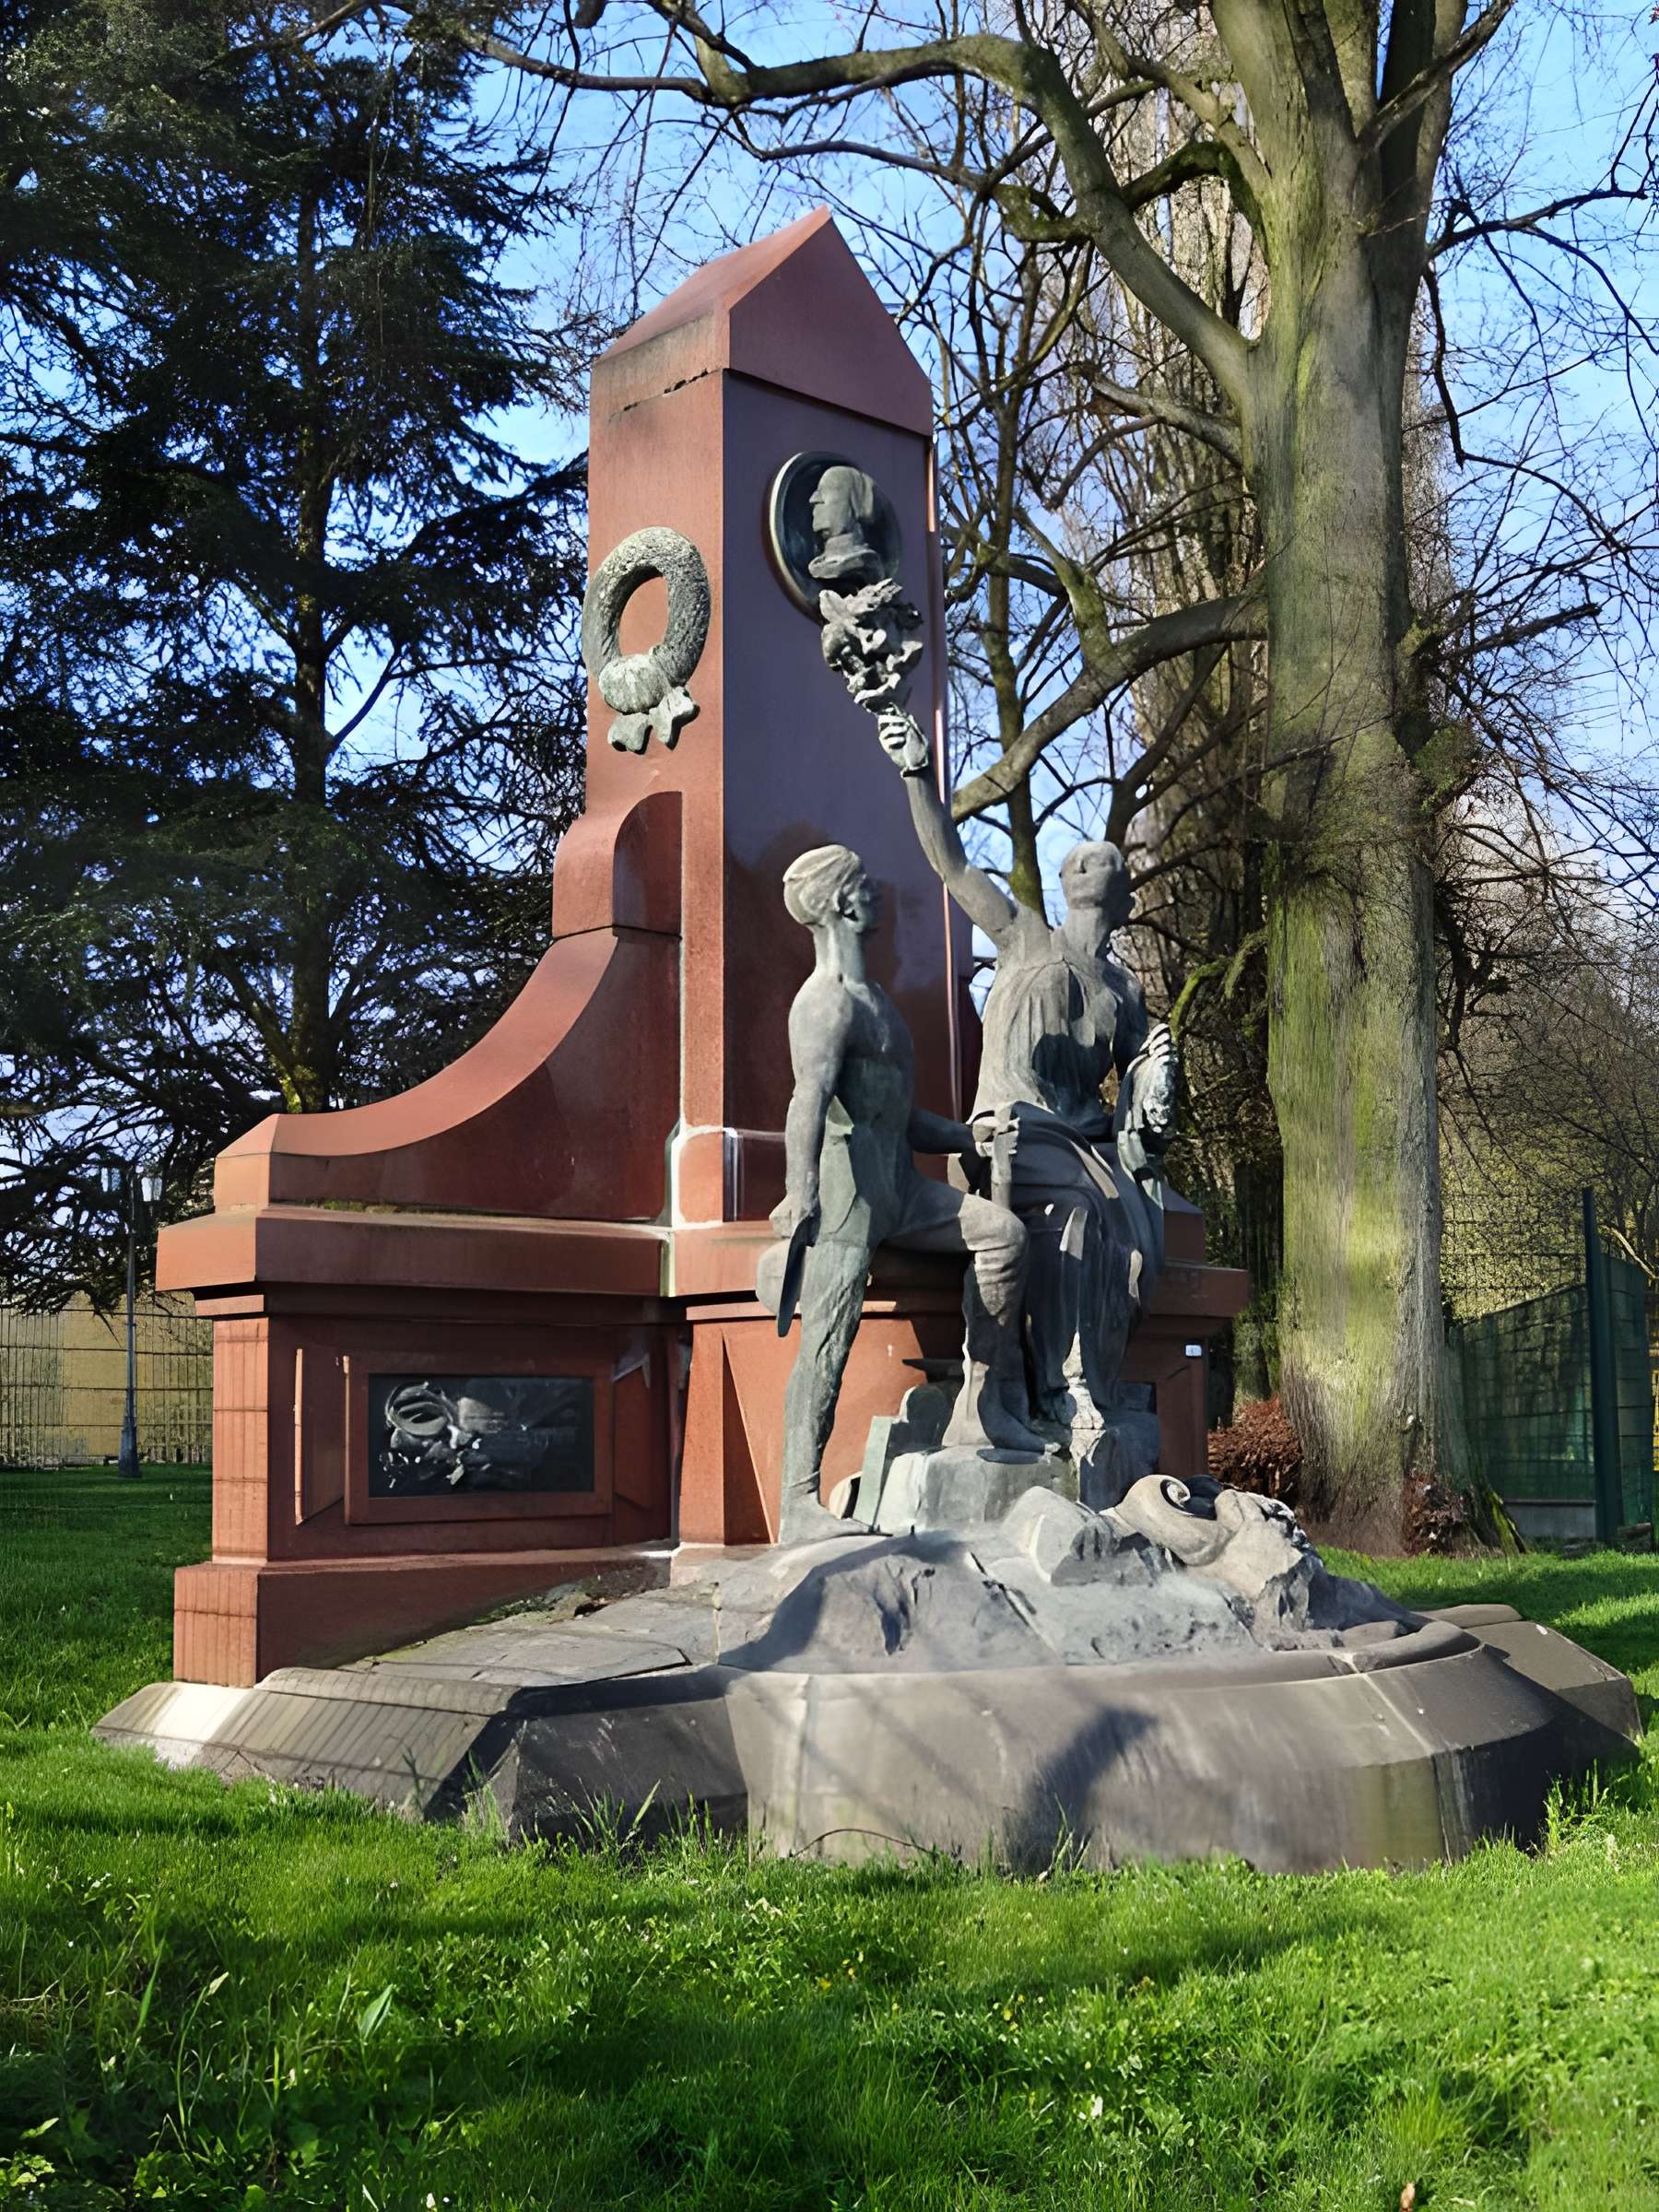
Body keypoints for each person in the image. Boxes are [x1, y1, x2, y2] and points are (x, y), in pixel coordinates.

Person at [876, 705, 1177, 1449]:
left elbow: (1147, 1066)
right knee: (1078, 1208)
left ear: (1123, 896)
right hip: (1007, 1129)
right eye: (1077, 857)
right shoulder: (1022, 935)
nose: (1089, 858)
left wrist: (1158, 1077)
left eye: (1104, 858)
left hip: (1083, 1143)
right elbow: (950, 862)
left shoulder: (1125, 991)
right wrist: (919, 773)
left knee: (1122, 1225)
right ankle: (1065, 1384)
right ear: (1063, 880)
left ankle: (1080, 1381)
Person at [766, 843, 1044, 1541]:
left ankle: (982, 1403)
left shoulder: (880, 1003)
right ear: (840, 904)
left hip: (902, 1188)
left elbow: (894, 1114)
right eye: (865, 883)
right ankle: (798, 1501)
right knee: (826, 1343)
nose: (879, 892)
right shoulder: (823, 1006)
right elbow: (808, 1103)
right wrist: (800, 1194)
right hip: (847, 1200)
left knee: (1003, 1236)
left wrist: (963, 1139)